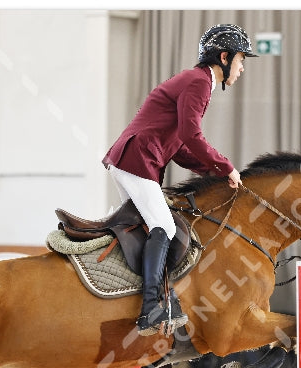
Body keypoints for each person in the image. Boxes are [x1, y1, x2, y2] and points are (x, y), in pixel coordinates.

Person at [102, 24, 256, 336]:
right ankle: (151, 309)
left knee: (147, 228)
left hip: (133, 158)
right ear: (224, 57)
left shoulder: (198, 82)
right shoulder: (199, 82)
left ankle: (141, 295)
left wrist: (214, 172)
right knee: (165, 227)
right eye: (241, 60)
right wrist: (225, 165)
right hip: (137, 159)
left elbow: (181, 147)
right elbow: (191, 135)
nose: (241, 68)